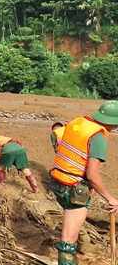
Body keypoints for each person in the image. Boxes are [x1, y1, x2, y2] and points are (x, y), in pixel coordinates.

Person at [49, 102, 118, 265]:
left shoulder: (77, 122)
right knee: (68, 241)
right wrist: (111, 199)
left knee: (69, 232)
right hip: (73, 189)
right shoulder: (98, 137)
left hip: (57, 180)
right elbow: (92, 175)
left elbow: (57, 137)